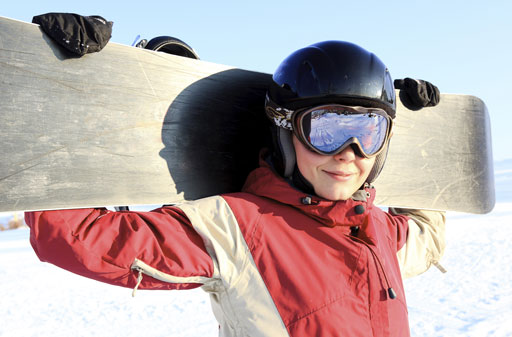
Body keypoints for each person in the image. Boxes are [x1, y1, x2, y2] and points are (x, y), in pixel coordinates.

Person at [26, 40, 445, 337]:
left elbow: (429, 237)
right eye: (327, 129)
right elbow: (76, 236)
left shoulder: (378, 230)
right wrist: (65, 97)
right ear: (285, 131)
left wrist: (425, 137)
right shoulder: (236, 227)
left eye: (369, 133)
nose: (349, 153)